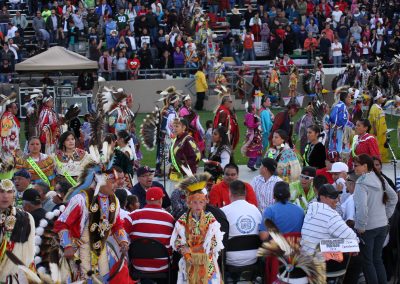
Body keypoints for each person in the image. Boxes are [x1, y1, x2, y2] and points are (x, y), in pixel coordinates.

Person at [54, 166, 129, 281]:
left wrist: (123, 241)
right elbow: (61, 223)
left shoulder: (114, 200)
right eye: (113, 182)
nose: (117, 185)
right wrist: (67, 246)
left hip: (102, 250)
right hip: (78, 251)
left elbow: (117, 224)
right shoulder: (80, 200)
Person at [171, 173, 224, 283]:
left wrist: (192, 250)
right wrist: (185, 253)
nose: (198, 206)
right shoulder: (183, 219)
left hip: (207, 263)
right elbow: (177, 241)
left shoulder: (210, 219)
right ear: (189, 203)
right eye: (194, 202)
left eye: (201, 202)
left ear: (205, 202)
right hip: (188, 262)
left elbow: (215, 242)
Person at [353, 154, 398, 284]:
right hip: (382, 225)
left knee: (368, 261)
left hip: (369, 228)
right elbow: (394, 197)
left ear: (365, 166)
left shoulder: (361, 182)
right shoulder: (380, 178)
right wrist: (385, 216)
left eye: (356, 165)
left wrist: (360, 226)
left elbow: (362, 208)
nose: (354, 168)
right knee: (377, 259)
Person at [300, 183, 358, 272]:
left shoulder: (311, 208)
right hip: (319, 262)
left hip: (306, 257)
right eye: (332, 197)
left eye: (337, 196)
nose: (337, 200)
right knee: (358, 258)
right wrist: (355, 243)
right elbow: (352, 238)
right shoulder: (330, 214)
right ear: (322, 197)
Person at [259, 181, 305, 284]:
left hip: (277, 256)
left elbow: (263, 236)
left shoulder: (269, 210)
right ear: (289, 195)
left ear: (273, 195)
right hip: (296, 254)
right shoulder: (300, 210)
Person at [124, 187, 175, 274]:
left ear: (146, 200)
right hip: (162, 265)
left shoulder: (132, 216)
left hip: (138, 264)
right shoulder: (170, 218)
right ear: (160, 200)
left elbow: (122, 233)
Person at [221, 180, 262, 275]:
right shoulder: (255, 209)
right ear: (245, 193)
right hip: (254, 257)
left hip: (230, 258)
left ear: (229, 193)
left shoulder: (223, 211)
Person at [0, 179, 35, 282]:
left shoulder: (25, 218)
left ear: (14, 195)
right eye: (1, 191)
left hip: (14, 276)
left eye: (9, 192)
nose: (5, 196)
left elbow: (29, 252)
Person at [329, 91, 354, 159]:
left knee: (335, 148)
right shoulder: (341, 106)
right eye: (349, 97)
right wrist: (351, 125)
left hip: (336, 131)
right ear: (345, 98)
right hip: (337, 132)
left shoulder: (340, 105)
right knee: (337, 150)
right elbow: (335, 118)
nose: (350, 99)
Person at [368, 91, 388, 162]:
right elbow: (373, 121)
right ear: (378, 98)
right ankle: (377, 160)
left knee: (383, 144)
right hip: (377, 131)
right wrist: (375, 130)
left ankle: (382, 159)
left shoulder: (379, 107)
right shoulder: (374, 107)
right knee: (378, 145)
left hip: (382, 131)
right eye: (381, 97)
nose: (383, 98)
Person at [242, 104, 263, 171]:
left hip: (251, 134)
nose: (256, 110)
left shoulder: (248, 115)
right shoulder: (251, 115)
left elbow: (246, 123)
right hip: (254, 135)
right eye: (255, 109)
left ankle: (251, 163)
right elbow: (250, 125)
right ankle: (251, 164)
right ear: (252, 109)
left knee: (253, 149)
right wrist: (257, 124)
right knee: (255, 150)